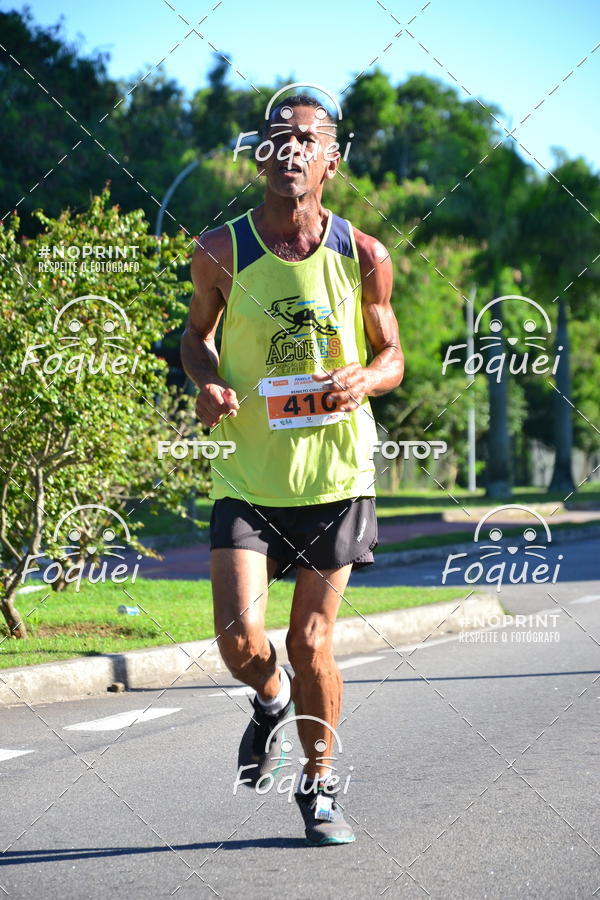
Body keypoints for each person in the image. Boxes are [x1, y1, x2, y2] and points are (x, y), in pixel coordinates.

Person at [181, 94, 404, 846]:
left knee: (311, 642)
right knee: (240, 643)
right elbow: (196, 337)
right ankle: (270, 697)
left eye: (307, 140)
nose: (291, 149)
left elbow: (393, 355)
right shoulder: (220, 249)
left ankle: (319, 786)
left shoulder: (364, 254)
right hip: (247, 476)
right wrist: (207, 381)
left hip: (336, 478)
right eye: (278, 138)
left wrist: (364, 380)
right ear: (260, 156)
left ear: (331, 161)